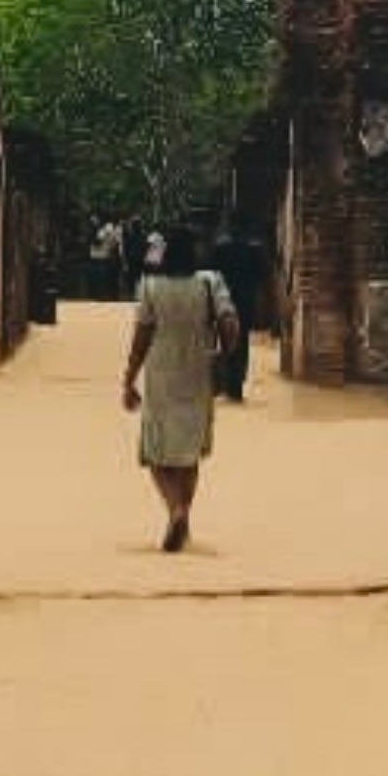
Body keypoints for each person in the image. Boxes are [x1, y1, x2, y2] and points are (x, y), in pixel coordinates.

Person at [121, 224, 240, 552]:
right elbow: (230, 324)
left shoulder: (149, 286)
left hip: (161, 374)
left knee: (156, 450)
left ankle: (175, 509)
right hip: (198, 372)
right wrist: (224, 355)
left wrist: (129, 378)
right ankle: (183, 515)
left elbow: (141, 336)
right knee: (189, 451)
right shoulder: (210, 282)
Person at [208, 217, 267, 401]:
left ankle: (222, 383)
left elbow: (210, 274)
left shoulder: (220, 248)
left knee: (221, 342)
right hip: (244, 303)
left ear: (230, 227)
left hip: (222, 302)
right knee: (241, 344)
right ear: (247, 227)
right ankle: (236, 385)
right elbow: (263, 276)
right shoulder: (254, 249)